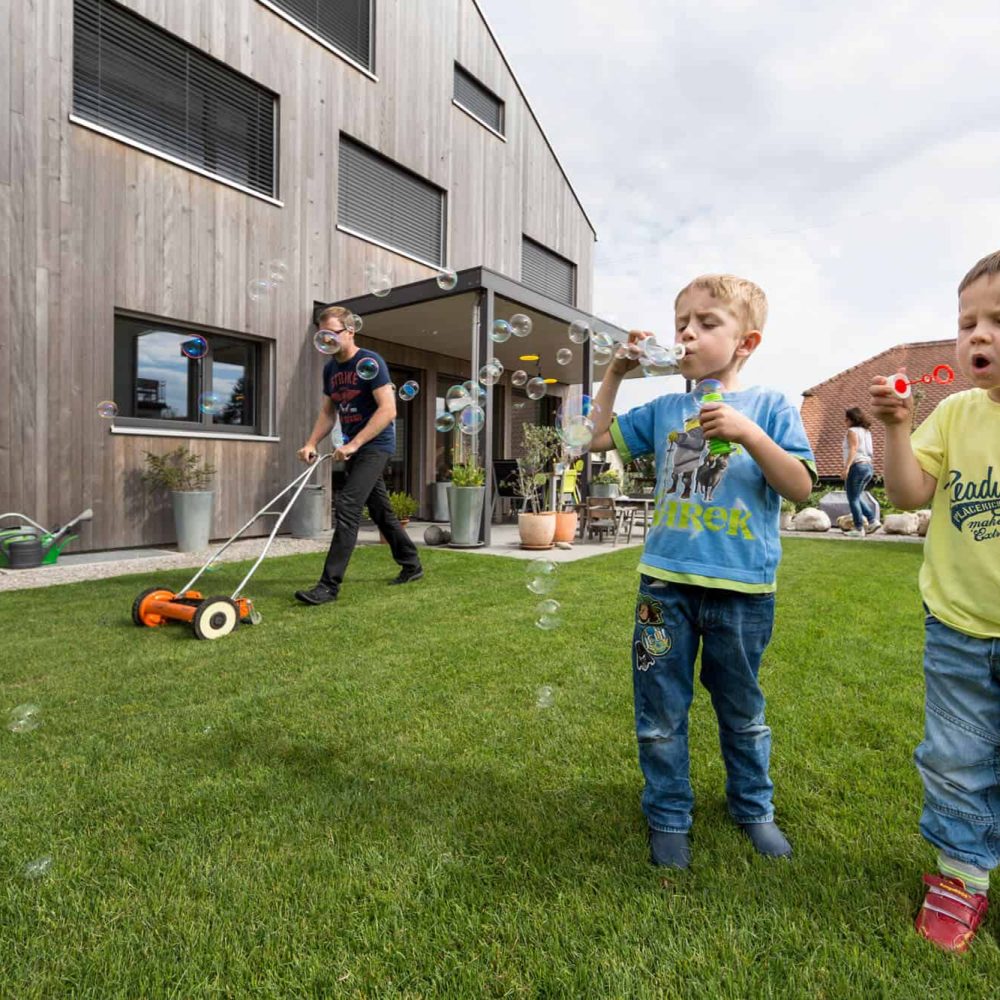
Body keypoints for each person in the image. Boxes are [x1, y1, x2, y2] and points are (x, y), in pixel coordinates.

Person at [587, 274, 816, 869]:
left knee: (742, 709)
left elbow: (798, 486)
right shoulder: (664, 409)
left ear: (748, 342)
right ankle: (668, 814)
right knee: (659, 707)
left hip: (743, 594)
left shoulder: (769, 407)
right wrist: (615, 373)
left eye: (707, 323)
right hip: (663, 588)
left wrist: (748, 433)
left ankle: (753, 808)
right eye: (681, 322)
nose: (687, 333)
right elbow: (591, 441)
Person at [869, 248, 1000, 953]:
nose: (977, 335)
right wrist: (895, 427)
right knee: (957, 758)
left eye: (998, 320)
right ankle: (960, 877)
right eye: (967, 322)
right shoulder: (954, 414)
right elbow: (908, 495)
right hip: (958, 627)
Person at [294, 306, 422, 605]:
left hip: (375, 445)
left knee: (348, 505)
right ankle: (412, 564)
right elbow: (328, 412)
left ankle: (328, 586)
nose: (326, 340)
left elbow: (388, 410)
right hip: (354, 445)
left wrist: (354, 444)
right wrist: (312, 442)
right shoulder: (331, 370)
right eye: (322, 335)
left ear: (350, 332)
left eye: (332, 334)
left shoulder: (370, 361)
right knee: (380, 511)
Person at [842, 406, 880, 537]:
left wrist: (846, 468)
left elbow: (853, 448)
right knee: (856, 496)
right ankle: (872, 520)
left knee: (852, 498)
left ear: (852, 419)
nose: (844, 422)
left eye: (846, 419)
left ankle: (858, 529)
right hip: (868, 466)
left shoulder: (852, 431)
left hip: (857, 466)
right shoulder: (866, 432)